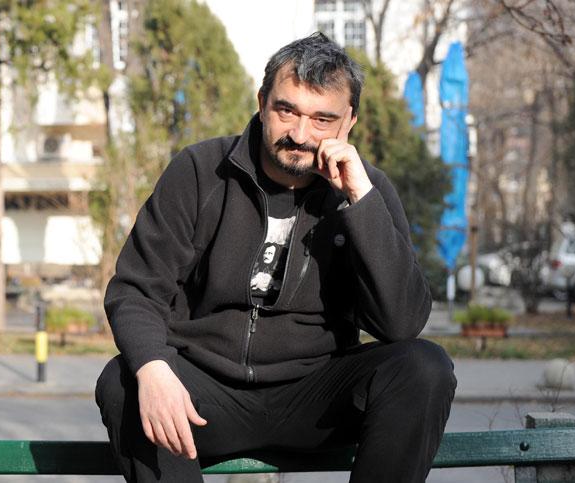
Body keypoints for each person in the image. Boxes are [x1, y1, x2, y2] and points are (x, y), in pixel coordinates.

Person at [96, 32, 456, 483]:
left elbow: (402, 324)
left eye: (322, 119)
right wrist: (153, 369)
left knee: (424, 368)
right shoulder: (200, 171)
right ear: (263, 102)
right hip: (204, 399)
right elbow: (136, 290)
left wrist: (360, 202)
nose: (300, 135)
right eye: (287, 111)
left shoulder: (367, 190)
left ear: (349, 122)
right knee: (125, 381)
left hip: (317, 400)